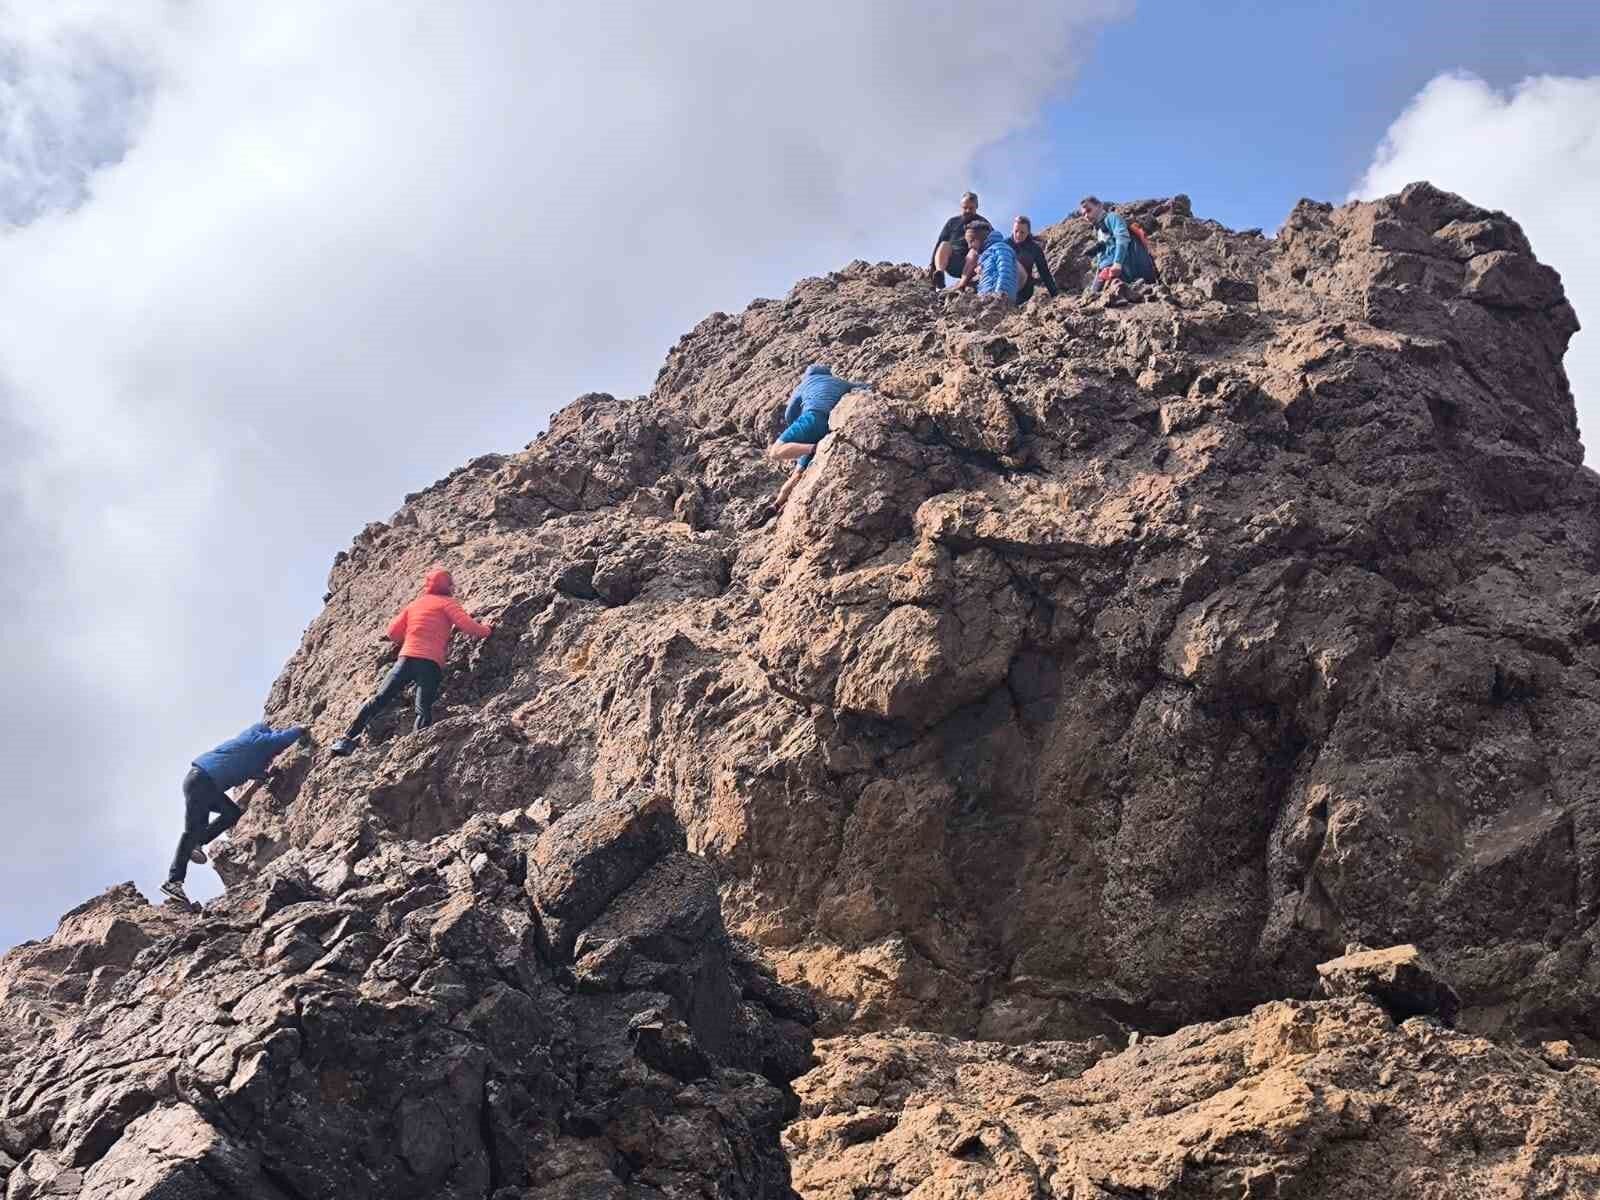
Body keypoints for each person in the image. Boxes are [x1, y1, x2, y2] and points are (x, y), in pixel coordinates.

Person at [329, 568, 492, 757]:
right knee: (423, 707)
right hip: (430, 663)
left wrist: (412, 635)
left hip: (406, 659)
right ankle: (415, 749)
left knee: (379, 699)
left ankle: (346, 739)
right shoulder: (448, 603)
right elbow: (467, 625)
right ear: (448, 585)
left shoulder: (415, 604)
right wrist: (487, 630)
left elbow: (392, 633)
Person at [162, 720, 307, 909]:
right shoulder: (258, 741)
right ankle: (173, 882)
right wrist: (302, 729)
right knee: (191, 831)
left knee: (231, 813)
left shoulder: (246, 750)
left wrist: (266, 773)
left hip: (205, 784)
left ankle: (198, 842)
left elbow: (253, 771)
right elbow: (284, 738)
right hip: (202, 781)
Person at [767, 364, 868, 507]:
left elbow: (789, 413)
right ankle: (776, 505)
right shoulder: (841, 382)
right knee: (799, 472)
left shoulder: (805, 384)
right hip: (830, 425)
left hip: (811, 418)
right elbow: (865, 387)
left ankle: (776, 504)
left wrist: (799, 432)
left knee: (775, 452)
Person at [1080, 196, 1158, 299]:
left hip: (1120, 269)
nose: (1087, 216)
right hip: (1110, 270)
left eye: (1089, 210)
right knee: (1092, 295)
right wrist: (1098, 248)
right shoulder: (1099, 230)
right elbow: (1109, 244)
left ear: (1099, 206)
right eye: (1084, 214)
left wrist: (1118, 263)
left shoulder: (1112, 217)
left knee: (1094, 295)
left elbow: (1122, 237)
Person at [928, 192, 987, 288]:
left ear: (976, 207)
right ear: (961, 206)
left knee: (973, 252)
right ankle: (939, 275)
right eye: (965, 208)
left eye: (971, 208)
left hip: (973, 265)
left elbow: (992, 243)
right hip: (952, 262)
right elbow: (939, 243)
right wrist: (932, 267)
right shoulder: (952, 222)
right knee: (944, 244)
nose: (967, 210)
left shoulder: (983, 223)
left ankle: (962, 284)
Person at [955, 220, 1020, 303]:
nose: (969, 246)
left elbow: (1005, 272)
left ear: (979, 238)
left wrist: (1000, 295)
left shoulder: (1000, 249)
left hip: (999, 299)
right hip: (989, 299)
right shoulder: (986, 255)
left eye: (971, 241)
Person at [1010, 216, 1059, 303]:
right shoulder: (1004, 245)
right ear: (1012, 229)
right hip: (1005, 285)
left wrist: (1055, 294)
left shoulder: (1034, 248)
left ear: (1028, 232)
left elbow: (1044, 273)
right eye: (1016, 231)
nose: (1018, 235)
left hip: (1025, 289)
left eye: (1022, 232)